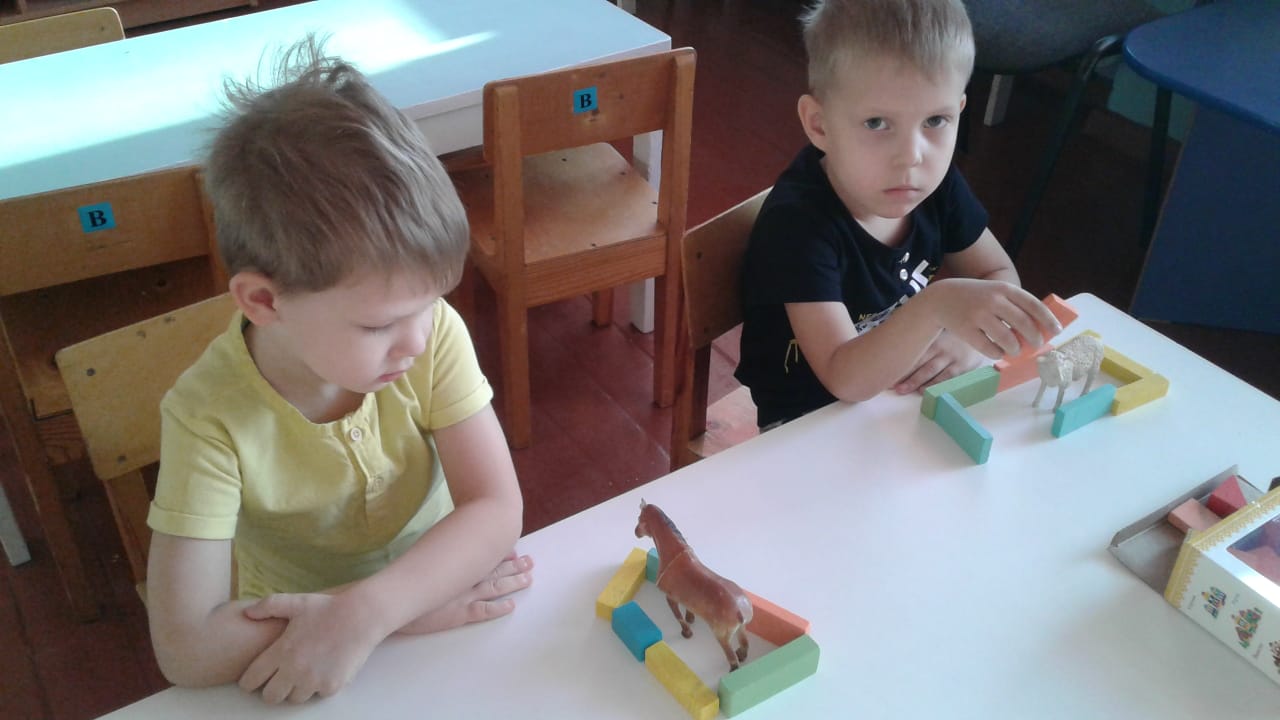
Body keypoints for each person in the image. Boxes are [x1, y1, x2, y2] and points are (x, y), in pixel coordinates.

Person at [144, 37, 531, 704]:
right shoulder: (206, 415)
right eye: (379, 325)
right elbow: (185, 647)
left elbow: (496, 508)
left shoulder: (431, 333)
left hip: (423, 607)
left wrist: (373, 614)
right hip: (311, 640)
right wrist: (391, 613)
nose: (416, 340)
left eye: (429, 303)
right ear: (264, 303)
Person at [735, 0, 1061, 428]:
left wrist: (965, 340)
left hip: (898, 397)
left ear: (959, 110)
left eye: (936, 120)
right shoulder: (797, 226)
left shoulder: (936, 186)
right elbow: (843, 377)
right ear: (819, 125)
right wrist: (936, 306)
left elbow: (997, 274)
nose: (911, 156)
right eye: (876, 123)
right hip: (806, 423)